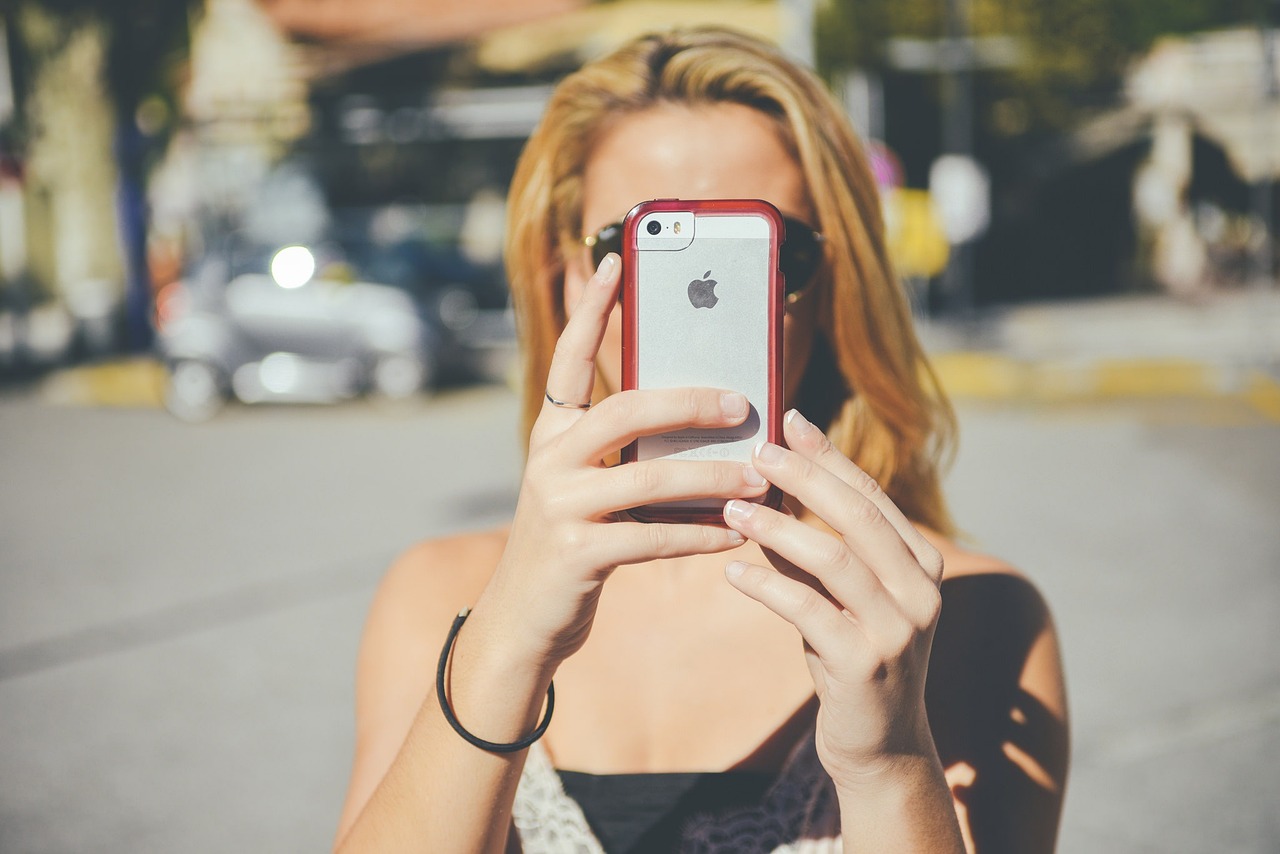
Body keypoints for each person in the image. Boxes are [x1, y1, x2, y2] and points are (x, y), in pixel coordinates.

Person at [333, 27, 1068, 854]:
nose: (703, 303)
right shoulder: (439, 596)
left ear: (832, 286)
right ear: (567, 277)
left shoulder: (956, 614)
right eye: (637, 248)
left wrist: (890, 763)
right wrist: (505, 645)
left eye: (766, 253)